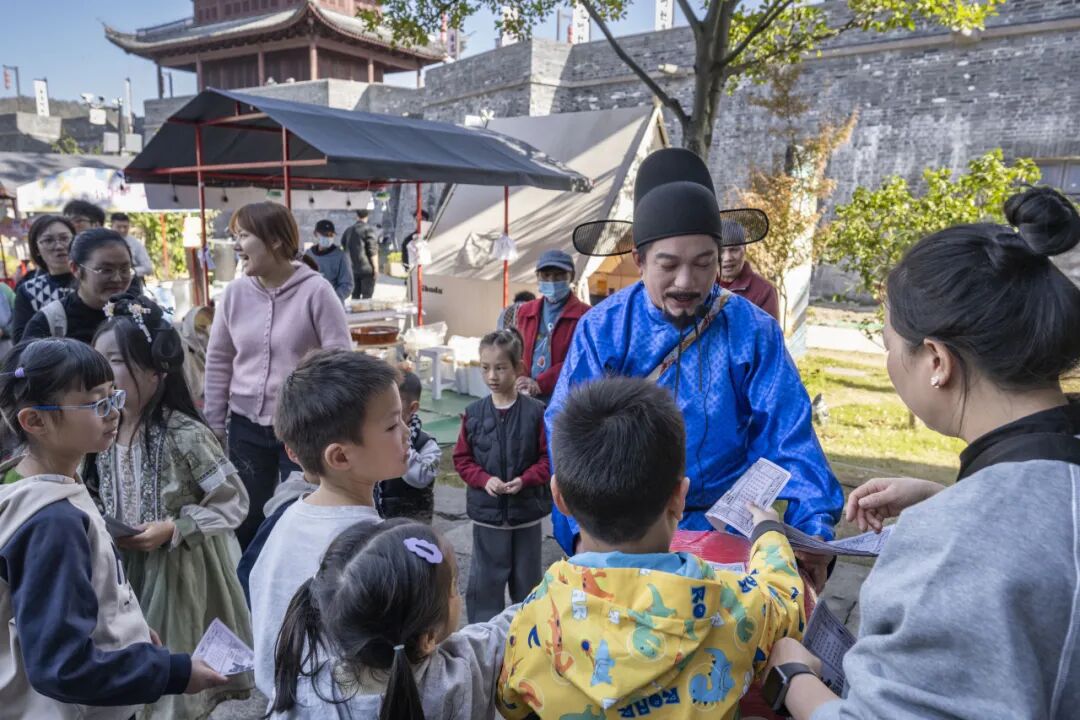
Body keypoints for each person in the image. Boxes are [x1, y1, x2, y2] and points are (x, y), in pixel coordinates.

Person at [764, 186, 1080, 719]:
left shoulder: (950, 545)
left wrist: (793, 675)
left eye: (889, 346)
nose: (889, 362)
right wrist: (947, 497)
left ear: (936, 361)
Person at [550, 147, 842, 591]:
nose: (686, 282)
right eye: (668, 265)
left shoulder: (752, 331)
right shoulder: (603, 329)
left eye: (704, 264)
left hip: (727, 535)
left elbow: (788, 434)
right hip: (628, 535)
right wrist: (583, 534)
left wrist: (812, 531)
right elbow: (569, 434)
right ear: (639, 261)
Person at [497, 377, 805, 718]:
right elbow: (788, 604)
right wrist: (768, 531)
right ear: (679, 498)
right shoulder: (733, 604)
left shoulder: (535, 615)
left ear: (559, 498)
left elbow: (511, 703)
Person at [0, 338, 227, 718]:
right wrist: (172, 672)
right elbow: (63, 666)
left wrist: (129, 634)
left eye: (113, 397)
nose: (114, 413)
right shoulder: (53, 523)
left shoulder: (42, 484)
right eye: (97, 404)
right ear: (35, 421)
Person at [91, 295, 253, 719]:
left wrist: (175, 527)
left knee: (173, 668)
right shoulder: (102, 429)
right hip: (122, 566)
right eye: (97, 359)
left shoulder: (184, 433)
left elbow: (233, 500)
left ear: (155, 369)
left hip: (178, 570)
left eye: (114, 360)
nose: (102, 372)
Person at [249, 350, 407, 697]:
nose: (407, 433)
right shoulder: (367, 546)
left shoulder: (289, 519)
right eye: (392, 425)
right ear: (340, 456)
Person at [204, 201, 351, 549]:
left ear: (274, 240)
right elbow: (219, 359)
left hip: (301, 427)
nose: (237, 246)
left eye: (243, 236)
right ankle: (246, 580)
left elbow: (341, 362)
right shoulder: (235, 294)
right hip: (245, 426)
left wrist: (330, 422)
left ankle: (296, 578)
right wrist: (214, 423)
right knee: (246, 515)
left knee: (298, 512)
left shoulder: (316, 291)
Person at [268, 520, 517, 719]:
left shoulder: (302, 694)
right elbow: (513, 626)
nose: (458, 592)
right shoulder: (461, 673)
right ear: (429, 638)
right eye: (454, 586)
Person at [453, 330, 551, 623]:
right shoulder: (473, 413)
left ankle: (528, 636)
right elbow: (462, 460)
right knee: (485, 585)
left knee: (528, 585)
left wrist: (526, 479)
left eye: (500, 367)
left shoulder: (536, 412)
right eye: (485, 368)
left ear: (518, 367)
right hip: (488, 516)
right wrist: (484, 480)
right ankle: (484, 637)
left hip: (526, 515)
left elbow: (548, 460)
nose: (492, 376)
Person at [22, 228, 134, 344]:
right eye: (106, 270)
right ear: (75, 269)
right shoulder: (49, 322)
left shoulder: (139, 314)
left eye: (124, 269)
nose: (117, 278)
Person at [514, 250, 590, 404]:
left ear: (571, 276)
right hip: (526, 395)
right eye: (546, 275)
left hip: (565, 399)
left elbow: (581, 359)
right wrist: (520, 377)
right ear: (537, 277)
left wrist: (541, 384)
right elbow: (516, 351)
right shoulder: (525, 312)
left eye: (559, 275)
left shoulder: (586, 315)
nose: (552, 281)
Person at [374, 371, 441, 524]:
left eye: (394, 404)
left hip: (413, 523)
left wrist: (402, 446)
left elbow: (421, 478)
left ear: (412, 408)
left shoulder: (426, 444)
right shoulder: (376, 438)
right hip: (378, 521)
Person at [12, 214, 75, 342]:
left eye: (64, 238)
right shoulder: (29, 291)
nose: (59, 246)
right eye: (48, 240)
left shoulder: (92, 280)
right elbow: (21, 342)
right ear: (36, 249)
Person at [719, 241, 780, 322]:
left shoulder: (765, 291)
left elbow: (768, 329)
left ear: (744, 250)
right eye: (721, 251)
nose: (728, 258)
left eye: (734, 250)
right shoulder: (704, 286)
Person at [304, 219, 353, 303]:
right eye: (324, 234)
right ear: (315, 234)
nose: (327, 237)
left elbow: (347, 285)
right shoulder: (308, 255)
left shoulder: (341, 256)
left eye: (330, 235)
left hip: (333, 304)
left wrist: (332, 298)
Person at [110, 212, 155, 292]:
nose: (122, 230)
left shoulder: (135, 244)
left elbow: (148, 267)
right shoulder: (103, 242)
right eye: (119, 227)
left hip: (131, 287)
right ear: (112, 226)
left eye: (125, 227)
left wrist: (129, 272)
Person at [341, 209, 379, 300]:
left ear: (357, 216)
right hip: (367, 269)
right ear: (367, 216)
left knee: (355, 296)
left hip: (352, 268)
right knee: (367, 297)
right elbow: (372, 250)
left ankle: (355, 309)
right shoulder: (369, 230)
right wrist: (376, 268)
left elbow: (343, 244)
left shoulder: (348, 230)